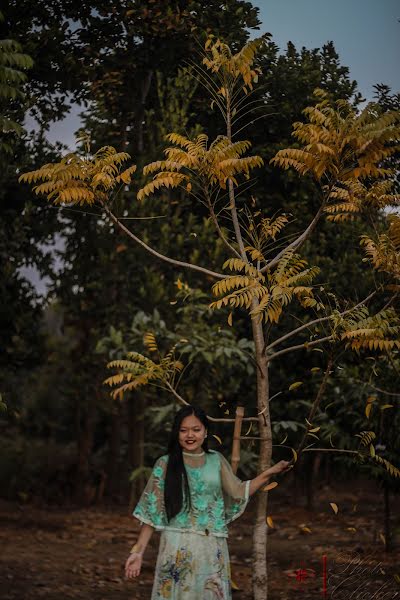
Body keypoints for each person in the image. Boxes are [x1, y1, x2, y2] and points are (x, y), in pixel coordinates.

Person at [125, 404, 291, 599]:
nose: (190, 435)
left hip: (211, 544)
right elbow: (151, 513)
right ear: (176, 433)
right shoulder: (165, 463)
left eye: (196, 429)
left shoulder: (216, 460)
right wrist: (138, 552)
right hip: (176, 545)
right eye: (183, 430)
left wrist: (270, 472)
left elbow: (238, 491)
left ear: (205, 432)